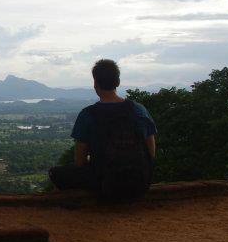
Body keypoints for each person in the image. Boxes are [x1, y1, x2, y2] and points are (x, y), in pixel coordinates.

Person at [49, 59, 157, 200]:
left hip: (106, 183)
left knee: (55, 173)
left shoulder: (88, 115)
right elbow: (151, 153)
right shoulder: (139, 110)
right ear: (117, 82)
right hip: (140, 182)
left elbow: (79, 162)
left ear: (95, 83)